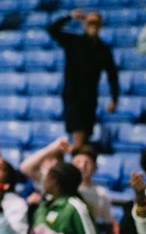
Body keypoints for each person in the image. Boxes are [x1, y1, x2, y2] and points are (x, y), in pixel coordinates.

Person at [47, 9, 119, 147]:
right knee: (78, 134)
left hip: (90, 97)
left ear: (101, 25)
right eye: (90, 22)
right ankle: (77, 161)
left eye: (96, 22)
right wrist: (69, 16)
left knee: (86, 135)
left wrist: (114, 98)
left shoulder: (104, 49)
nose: (93, 25)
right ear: (84, 25)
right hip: (73, 95)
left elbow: (112, 75)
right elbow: (52, 29)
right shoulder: (74, 41)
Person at [71, 144, 121, 234]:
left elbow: (111, 222)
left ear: (95, 168)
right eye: (78, 162)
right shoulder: (64, 187)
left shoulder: (101, 193)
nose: (82, 166)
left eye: (87, 163)